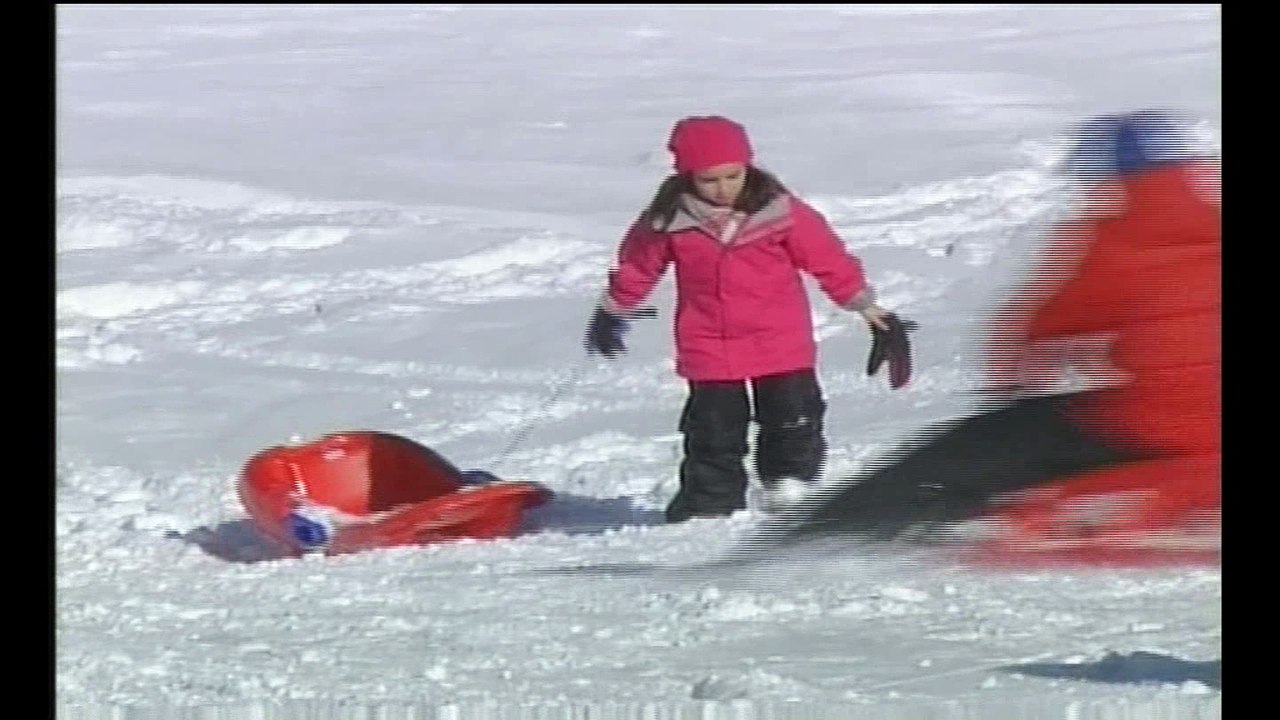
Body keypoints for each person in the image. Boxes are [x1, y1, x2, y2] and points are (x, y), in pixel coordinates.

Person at [776, 109, 1220, 555]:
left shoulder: (1112, 240)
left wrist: (1012, 382)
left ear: (1107, 178)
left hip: (1152, 424)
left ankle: (832, 535)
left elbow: (1036, 329)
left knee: (983, 444)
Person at [583, 115, 908, 523]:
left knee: (792, 417)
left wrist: (865, 306)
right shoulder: (669, 220)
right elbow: (639, 266)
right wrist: (613, 309)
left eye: (732, 176)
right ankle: (709, 502)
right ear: (687, 176)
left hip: (780, 338)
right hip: (708, 341)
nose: (722, 189)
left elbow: (827, 258)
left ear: (748, 167)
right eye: (709, 180)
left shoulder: (780, 211)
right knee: (713, 431)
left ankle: (788, 484)